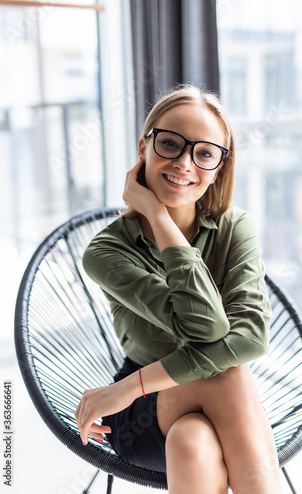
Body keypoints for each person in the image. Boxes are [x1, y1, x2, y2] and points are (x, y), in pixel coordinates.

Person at [75, 84, 282, 494]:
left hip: (147, 394)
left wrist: (125, 387)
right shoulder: (106, 251)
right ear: (144, 147)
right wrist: (154, 213)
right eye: (170, 144)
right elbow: (206, 330)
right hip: (141, 415)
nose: (185, 163)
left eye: (204, 153)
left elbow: (252, 337)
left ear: (220, 166)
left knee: (194, 441)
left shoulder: (234, 227)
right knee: (229, 376)